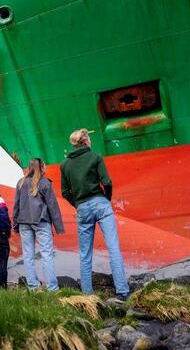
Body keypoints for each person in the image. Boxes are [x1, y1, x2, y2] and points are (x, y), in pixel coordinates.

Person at [60, 128, 130, 300]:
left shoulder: (65, 165)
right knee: (113, 248)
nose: (91, 142)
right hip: (100, 204)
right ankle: (122, 292)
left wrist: (77, 204)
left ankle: (87, 294)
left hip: (82, 208)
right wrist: (106, 199)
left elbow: (65, 192)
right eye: (89, 139)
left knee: (85, 254)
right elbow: (107, 182)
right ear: (85, 142)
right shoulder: (95, 157)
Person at [13, 158, 65, 291]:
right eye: (44, 166)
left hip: (24, 222)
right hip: (41, 221)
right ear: (41, 167)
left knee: (28, 255)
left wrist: (15, 224)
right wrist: (59, 227)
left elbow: (16, 205)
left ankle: (33, 287)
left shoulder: (21, 183)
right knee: (46, 254)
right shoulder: (44, 182)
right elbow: (53, 206)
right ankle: (52, 288)